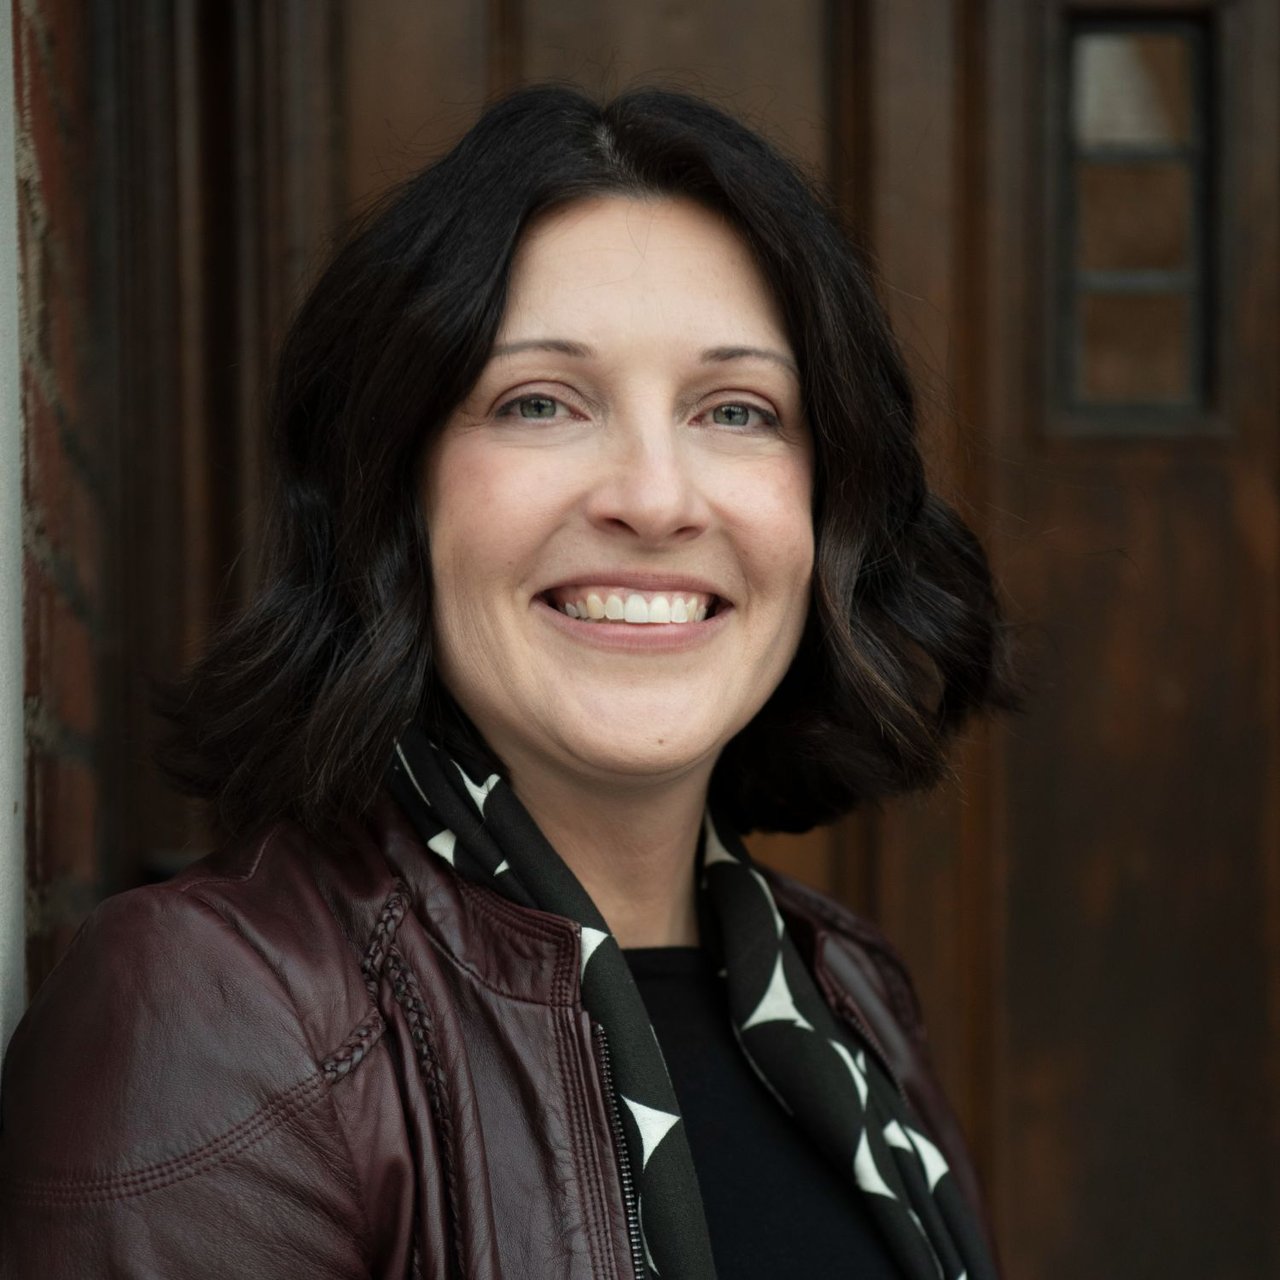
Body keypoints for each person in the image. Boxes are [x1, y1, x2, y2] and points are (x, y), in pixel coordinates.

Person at [0, 84, 1018, 1278]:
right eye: (539, 401)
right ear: (396, 490)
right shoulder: (225, 1019)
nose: (654, 497)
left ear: (827, 505)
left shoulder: (846, 991)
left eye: (736, 410)